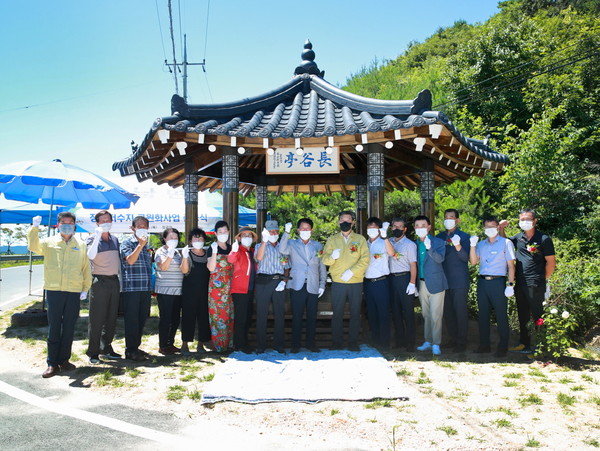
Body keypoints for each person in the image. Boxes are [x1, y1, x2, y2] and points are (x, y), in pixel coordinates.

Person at [28, 212, 92, 378]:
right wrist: (34, 228)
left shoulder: (81, 244)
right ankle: (52, 363)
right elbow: (33, 247)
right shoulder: (49, 242)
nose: (67, 225)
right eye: (63, 222)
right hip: (54, 290)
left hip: (73, 291)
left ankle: (64, 360)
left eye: (70, 222)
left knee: (69, 327)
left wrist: (85, 288)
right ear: (58, 225)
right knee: (55, 327)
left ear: (74, 225)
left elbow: (86, 268)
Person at [499, 209, 556, 353]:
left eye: (528, 219)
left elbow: (551, 263)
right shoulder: (518, 238)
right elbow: (504, 243)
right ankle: (524, 344)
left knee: (538, 315)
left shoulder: (544, 239)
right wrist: (501, 228)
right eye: (522, 219)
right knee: (522, 314)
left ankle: (541, 346)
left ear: (535, 221)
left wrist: (542, 279)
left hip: (535, 283)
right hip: (520, 284)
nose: (525, 222)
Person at [322, 211, 370, 351]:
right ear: (338, 222)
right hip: (338, 281)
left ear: (353, 222)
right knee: (337, 313)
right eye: (342, 219)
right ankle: (336, 342)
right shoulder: (332, 239)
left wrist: (352, 271)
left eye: (348, 220)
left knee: (355, 313)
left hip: (355, 281)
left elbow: (365, 259)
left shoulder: (360, 239)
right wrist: (332, 257)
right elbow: (325, 259)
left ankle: (353, 342)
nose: (345, 222)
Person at [469, 216, 516, 357]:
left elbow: (511, 265)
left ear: (497, 227)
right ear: (484, 228)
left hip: (498, 282)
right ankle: (484, 345)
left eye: (493, 226)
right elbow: (473, 262)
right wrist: (472, 245)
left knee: (501, 315)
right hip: (483, 282)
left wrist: (510, 284)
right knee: (483, 315)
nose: (490, 229)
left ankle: (503, 347)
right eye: (487, 226)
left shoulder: (506, 243)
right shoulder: (481, 244)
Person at [279, 218, 327, 353]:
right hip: (297, 285)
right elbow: (282, 249)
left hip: (313, 285)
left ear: (312, 230)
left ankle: (311, 344)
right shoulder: (292, 243)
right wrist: (286, 232)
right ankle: (295, 345)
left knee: (312, 316)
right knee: (297, 316)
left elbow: (322, 267)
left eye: (307, 228)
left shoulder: (318, 246)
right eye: (302, 228)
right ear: (298, 230)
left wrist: (322, 284)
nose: (305, 230)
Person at [85, 210, 121, 364]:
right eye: (102, 220)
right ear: (97, 223)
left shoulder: (115, 239)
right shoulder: (92, 239)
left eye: (108, 219)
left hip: (114, 281)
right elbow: (90, 256)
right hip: (99, 281)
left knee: (111, 318)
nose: (106, 222)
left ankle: (106, 347)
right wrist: (98, 236)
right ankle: (93, 352)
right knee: (97, 318)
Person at [436, 209, 471, 353]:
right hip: (444, 279)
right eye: (446, 217)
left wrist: (458, 246)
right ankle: (452, 339)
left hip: (459, 280)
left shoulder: (464, 237)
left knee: (460, 311)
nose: (448, 220)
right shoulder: (439, 237)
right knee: (448, 312)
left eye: (451, 217)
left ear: (457, 220)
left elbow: (465, 258)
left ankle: (462, 342)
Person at [120, 215, 153, 362]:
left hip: (145, 288)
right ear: (132, 228)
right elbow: (131, 261)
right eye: (139, 226)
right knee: (132, 320)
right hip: (132, 288)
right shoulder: (127, 243)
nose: (142, 228)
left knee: (141, 319)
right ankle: (130, 350)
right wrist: (139, 245)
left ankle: (136, 346)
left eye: (145, 226)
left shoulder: (147, 246)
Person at [254, 220, 290, 353]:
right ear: (266, 232)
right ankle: (260, 345)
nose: (273, 233)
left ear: (279, 232)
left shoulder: (283, 247)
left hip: (278, 282)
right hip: (263, 281)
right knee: (261, 314)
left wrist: (284, 282)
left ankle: (279, 344)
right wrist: (264, 241)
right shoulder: (260, 245)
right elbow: (258, 258)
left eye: (275, 231)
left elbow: (287, 267)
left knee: (279, 314)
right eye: (270, 231)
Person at [414, 215, 448, 356]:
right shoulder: (414, 244)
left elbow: (440, 259)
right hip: (421, 283)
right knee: (426, 314)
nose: (420, 228)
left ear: (429, 227)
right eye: (417, 226)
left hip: (436, 283)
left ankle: (436, 343)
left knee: (436, 315)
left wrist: (430, 249)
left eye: (423, 225)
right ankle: (427, 341)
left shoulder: (438, 242)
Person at [363, 217, 395, 350]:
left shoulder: (383, 243)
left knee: (383, 312)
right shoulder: (364, 243)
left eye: (374, 227)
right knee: (371, 312)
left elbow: (392, 253)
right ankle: (375, 340)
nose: (371, 230)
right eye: (369, 227)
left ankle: (385, 341)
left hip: (381, 282)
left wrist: (385, 236)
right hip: (367, 282)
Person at [180, 228, 212, 355]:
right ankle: (185, 344)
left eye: (200, 238)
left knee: (204, 317)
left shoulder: (207, 254)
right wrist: (184, 257)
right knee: (188, 317)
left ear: (204, 240)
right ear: (190, 241)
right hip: (189, 291)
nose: (198, 240)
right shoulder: (187, 254)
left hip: (205, 291)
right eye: (195, 238)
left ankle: (201, 344)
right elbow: (184, 271)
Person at [388, 218, 418, 351]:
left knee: (408, 312)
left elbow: (413, 264)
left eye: (400, 227)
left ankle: (410, 342)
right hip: (392, 279)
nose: (397, 229)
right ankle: (399, 340)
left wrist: (412, 283)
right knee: (395, 311)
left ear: (405, 229)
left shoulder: (410, 244)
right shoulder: (389, 242)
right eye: (395, 226)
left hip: (404, 278)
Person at [154, 227, 185, 355]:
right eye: (171, 237)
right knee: (165, 319)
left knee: (175, 319)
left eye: (176, 238)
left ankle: (170, 343)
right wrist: (170, 254)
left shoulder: (178, 253)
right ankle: (162, 345)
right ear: (164, 239)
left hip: (178, 291)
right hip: (165, 290)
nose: (174, 240)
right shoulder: (160, 252)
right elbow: (164, 266)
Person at [227, 227, 258, 353]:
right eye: (244, 235)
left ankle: (244, 342)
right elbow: (231, 260)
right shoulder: (238, 250)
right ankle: (239, 344)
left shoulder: (252, 251)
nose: (247, 237)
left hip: (250, 289)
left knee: (248, 317)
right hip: (239, 289)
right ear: (239, 238)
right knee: (241, 318)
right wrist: (233, 251)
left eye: (249, 235)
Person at [207, 220, 233, 352]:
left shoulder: (231, 248)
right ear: (216, 233)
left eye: (225, 231)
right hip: (216, 289)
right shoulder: (212, 248)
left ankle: (230, 343)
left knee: (230, 315)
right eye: (220, 232)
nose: (223, 234)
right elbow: (210, 268)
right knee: (218, 315)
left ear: (228, 232)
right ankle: (219, 345)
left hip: (231, 286)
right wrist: (214, 253)